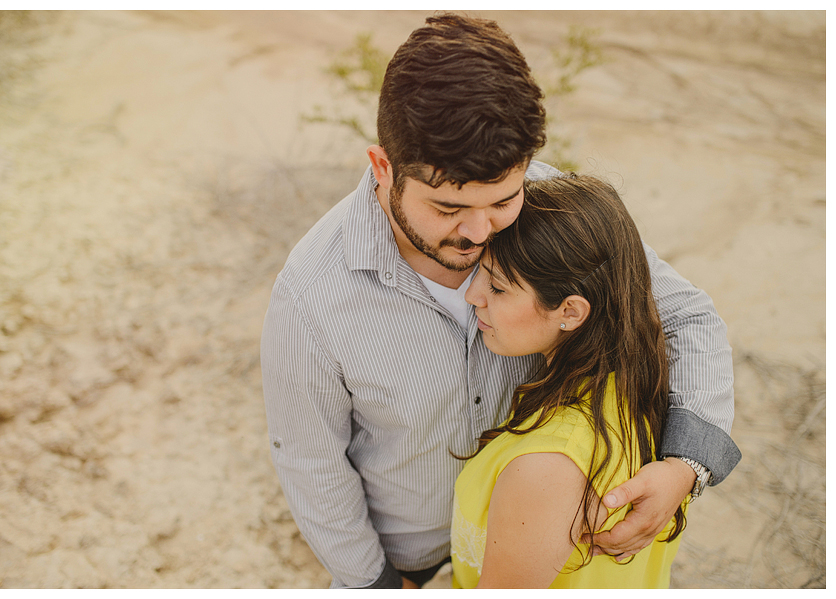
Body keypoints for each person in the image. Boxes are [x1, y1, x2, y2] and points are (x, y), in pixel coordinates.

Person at [261, 13, 740, 589]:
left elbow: (686, 315)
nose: (481, 230)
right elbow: (312, 463)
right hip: (410, 561)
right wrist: (375, 582)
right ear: (383, 167)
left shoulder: (549, 203)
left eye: (503, 200)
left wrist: (685, 467)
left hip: (537, 544)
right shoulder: (310, 294)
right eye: (447, 209)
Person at [452, 174, 688, 589]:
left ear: (571, 312)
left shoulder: (547, 467)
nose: (473, 295)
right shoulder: (641, 383)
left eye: (499, 287)